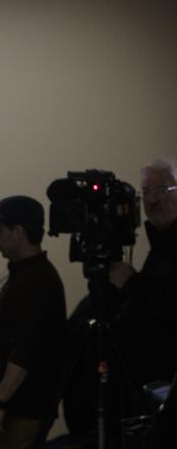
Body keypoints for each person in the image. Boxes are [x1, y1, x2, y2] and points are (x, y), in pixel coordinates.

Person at [0, 196, 67, 449]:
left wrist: (1, 401)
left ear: (18, 232)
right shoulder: (28, 273)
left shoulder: (36, 280)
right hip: (18, 409)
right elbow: (21, 324)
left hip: (20, 410)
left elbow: (26, 348)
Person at [109, 160, 177, 403]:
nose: (153, 200)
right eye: (146, 192)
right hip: (148, 384)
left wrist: (131, 284)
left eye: (162, 190)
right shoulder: (160, 242)